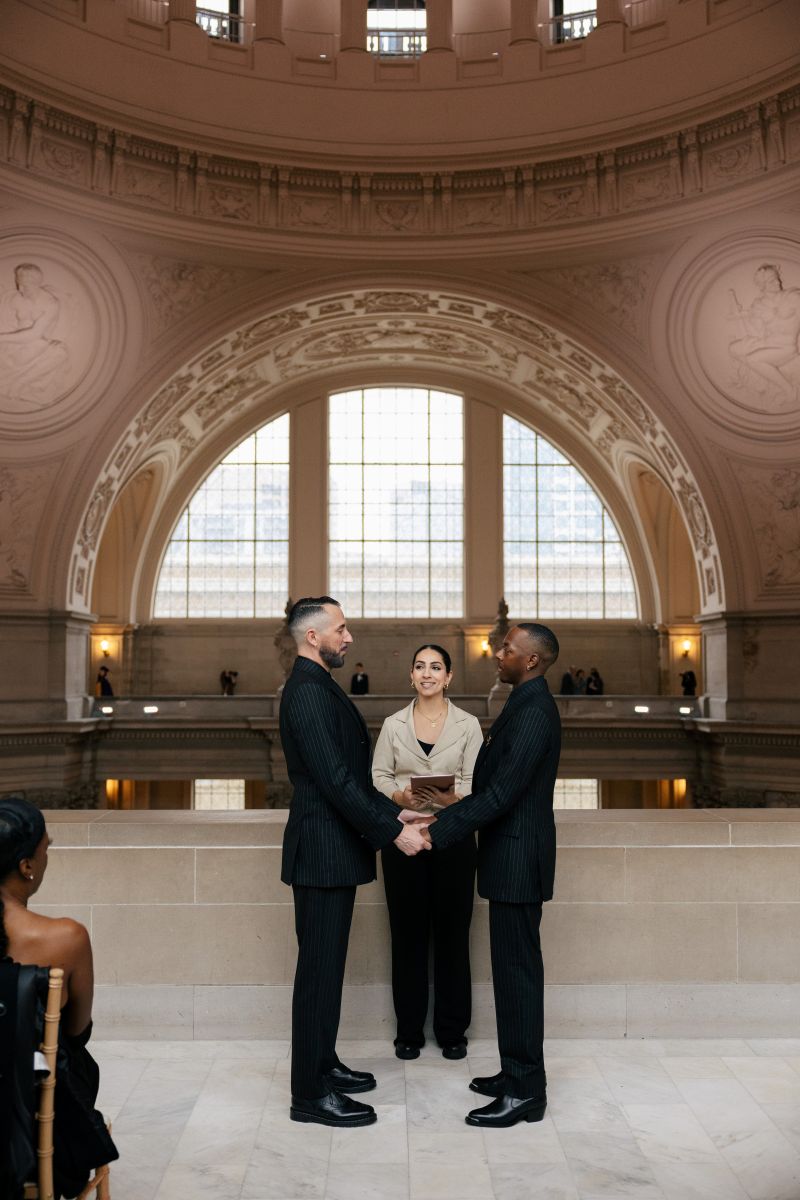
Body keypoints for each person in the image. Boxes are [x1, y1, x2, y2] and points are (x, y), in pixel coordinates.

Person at [279, 596, 430, 1129]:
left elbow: (350, 780)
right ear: (313, 637)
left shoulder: (318, 686)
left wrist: (396, 814)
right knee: (317, 976)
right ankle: (309, 1095)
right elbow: (336, 783)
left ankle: (322, 1064)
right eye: (341, 629)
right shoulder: (305, 692)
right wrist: (393, 832)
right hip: (320, 852)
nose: (349, 638)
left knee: (326, 971)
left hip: (332, 850)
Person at [424, 623, 561, 1128]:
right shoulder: (522, 703)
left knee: (518, 976)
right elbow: (496, 785)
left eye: (507, 649)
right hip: (509, 858)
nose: (497, 653)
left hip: (518, 861)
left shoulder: (534, 710)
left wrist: (442, 828)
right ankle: (515, 1072)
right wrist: (454, 801)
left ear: (530, 662)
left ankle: (526, 1091)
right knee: (510, 974)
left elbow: (504, 795)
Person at [0, 796, 117, 1197]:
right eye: (46, 848)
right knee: (75, 1059)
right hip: (24, 1132)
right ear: (26, 866)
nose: (48, 857)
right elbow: (76, 1029)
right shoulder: (66, 939)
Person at [372, 644, 483, 1061]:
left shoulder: (469, 725)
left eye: (436, 667)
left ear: (449, 676)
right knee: (407, 938)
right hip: (404, 840)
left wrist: (447, 800)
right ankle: (409, 1032)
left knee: (454, 938)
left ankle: (452, 1031)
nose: (427, 673)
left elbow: (475, 781)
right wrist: (401, 794)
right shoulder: (393, 724)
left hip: (452, 840)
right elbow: (379, 776)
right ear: (411, 676)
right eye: (420, 666)